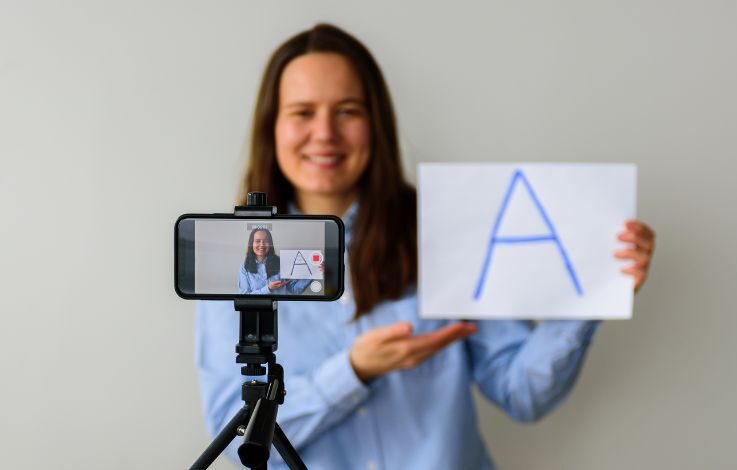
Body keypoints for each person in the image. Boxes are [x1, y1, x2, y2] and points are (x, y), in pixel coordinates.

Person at [196, 23, 656, 470]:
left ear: (376, 123)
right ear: (271, 126)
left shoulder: (445, 230)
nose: (325, 133)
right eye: (302, 112)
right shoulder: (238, 256)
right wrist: (352, 371)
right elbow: (238, 443)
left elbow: (524, 393)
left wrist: (594, 289)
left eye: (348, 110)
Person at [238, 228, 293, 295]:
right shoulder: (244, 267)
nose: (262, 245)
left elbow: (294, 289)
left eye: (266, 241)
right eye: (258, 241)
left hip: (280, 305)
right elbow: (244, 295)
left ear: (270, 243)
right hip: (255, 305)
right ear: (252, 244)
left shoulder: (282, 262)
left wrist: (308, 271)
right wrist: (268, 288)